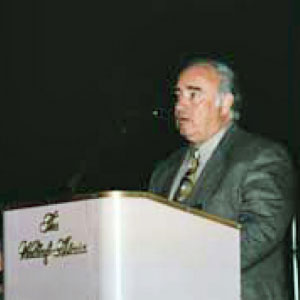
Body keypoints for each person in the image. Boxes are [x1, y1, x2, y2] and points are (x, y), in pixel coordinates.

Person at [149, 58, 296, 300]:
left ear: (225, 103)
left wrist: (187, 270)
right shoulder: (164, 170)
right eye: (179, 96)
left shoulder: (262, 156)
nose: (180, 106)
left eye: (193, 95)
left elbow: (261, 232)